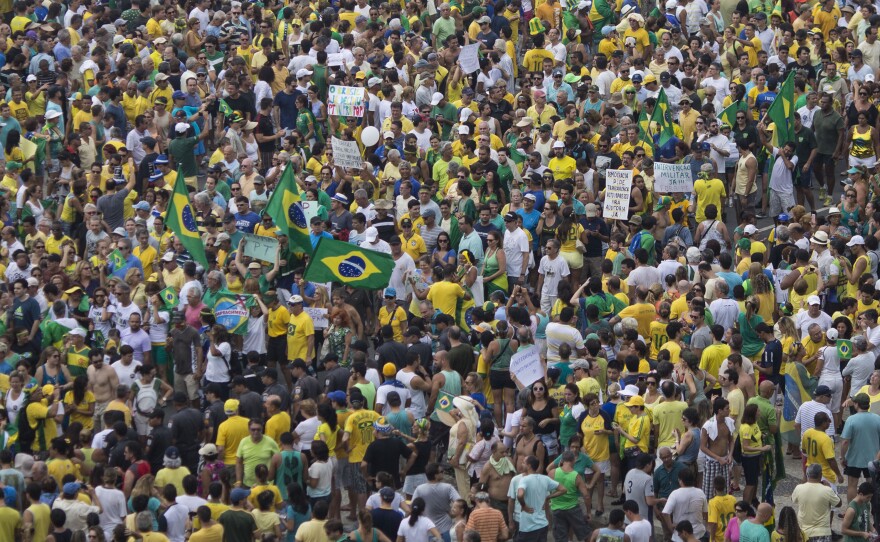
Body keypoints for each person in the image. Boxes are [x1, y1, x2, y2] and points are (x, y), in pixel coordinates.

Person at [791, 463, 842, 540]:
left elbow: (793, 499)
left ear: (807, 474)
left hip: (803, 532)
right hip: (822, 533)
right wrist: (830, 488)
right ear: (820, 475)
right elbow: (839, 503)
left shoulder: (799, 488)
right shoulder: (827, 490)